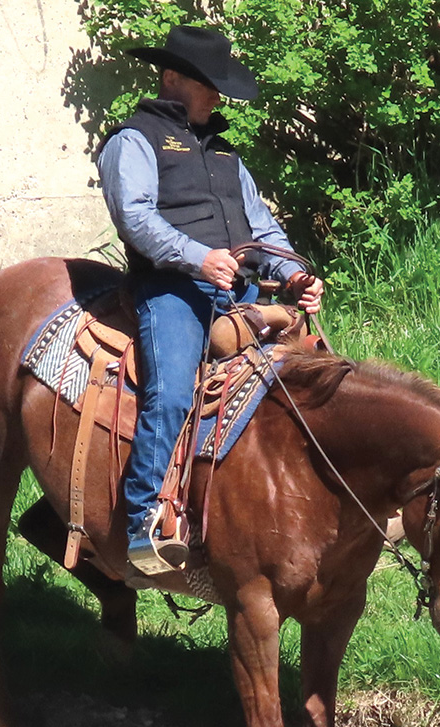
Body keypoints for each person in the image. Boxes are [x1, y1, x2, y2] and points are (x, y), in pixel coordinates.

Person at [97, 25, 323, 575]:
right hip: (172, 289)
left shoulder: (227, 156)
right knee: (172, 392)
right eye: (208, 83)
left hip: (240, 288)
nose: (218, 96)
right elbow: (135, 217)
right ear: (172, 77)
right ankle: (143, 527)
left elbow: (263, 228)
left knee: (319, 371)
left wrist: (295, 274)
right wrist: (198, 257)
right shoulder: (134, 141)